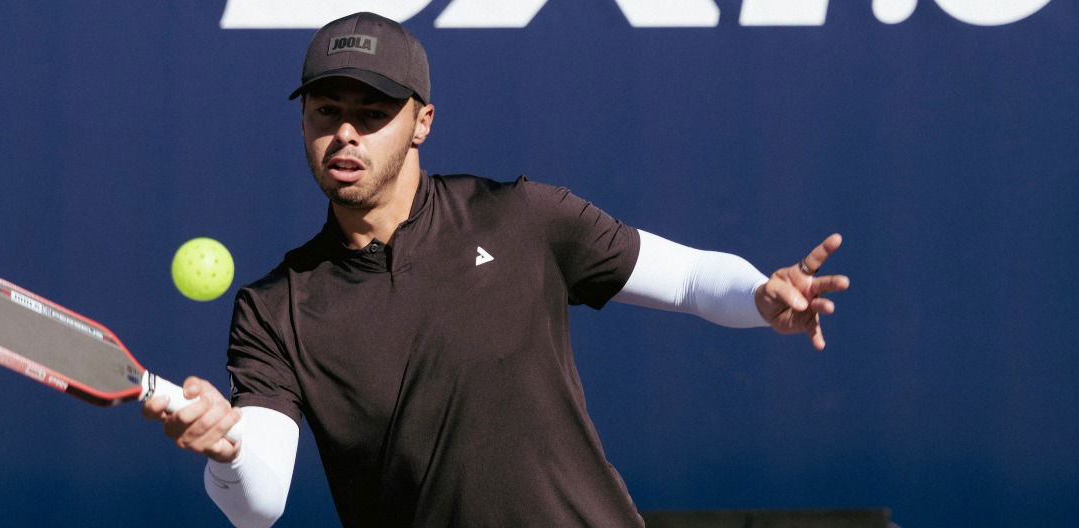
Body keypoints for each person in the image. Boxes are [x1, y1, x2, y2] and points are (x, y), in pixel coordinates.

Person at [143, 11, 850, 528]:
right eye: (327, 111)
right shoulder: (275, 307)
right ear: (304, 123)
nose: (346, 133)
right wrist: (224, 450)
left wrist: (759, 296)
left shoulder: (522, 217)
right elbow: (260, 504)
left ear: (422, 122)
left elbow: (691, 279)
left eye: (373, 112)